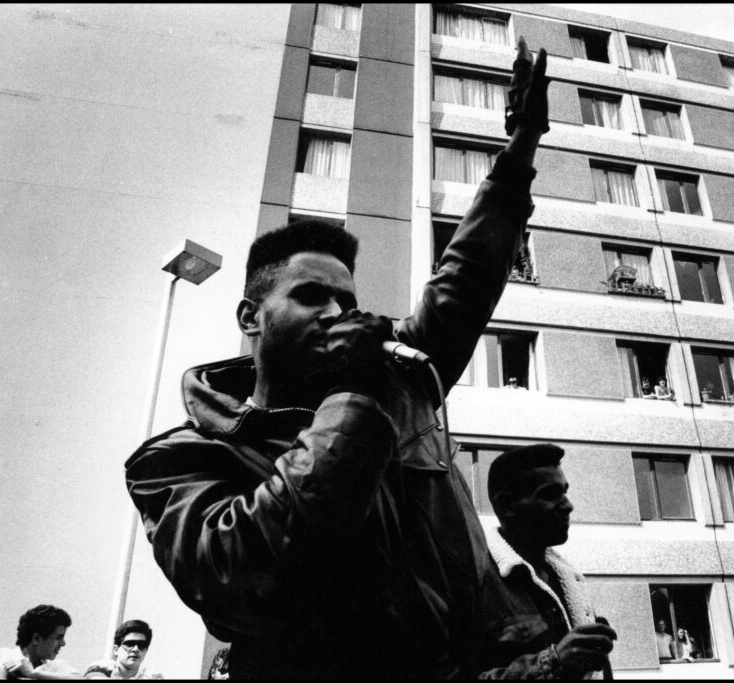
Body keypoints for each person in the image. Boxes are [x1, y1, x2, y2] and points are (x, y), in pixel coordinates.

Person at [124, 38, 552, 679]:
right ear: (251, 318)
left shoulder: (398, 381)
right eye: (309, 296)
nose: (335, 311)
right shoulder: (178, 460)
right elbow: (239, 577)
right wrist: (352, 398)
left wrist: (520, 147)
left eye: (346, 300)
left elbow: (464, 281)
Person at [480, 444, 617, 678]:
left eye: (564, 491)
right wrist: (554, 662)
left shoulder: (569, 579)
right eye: (549, 494)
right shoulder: (477, 581)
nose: (568, 505)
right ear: (508, 506)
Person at [0, 605, 80, 680]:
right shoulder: (5, 655)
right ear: (36, 638)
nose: (63, 643)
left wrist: (33, 674)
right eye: (58, 638)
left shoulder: (55, 665)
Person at [83, 620, 162, 680]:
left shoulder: (153, 676)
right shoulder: (101, 668)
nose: (136, 649)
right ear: (116, 649)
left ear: (146, 651)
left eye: (141, 645)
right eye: (129, 644)